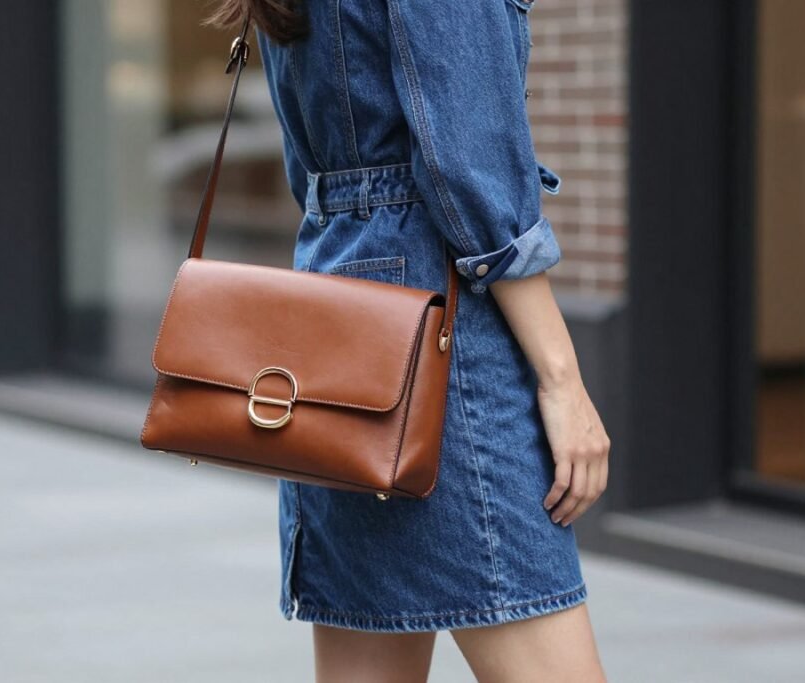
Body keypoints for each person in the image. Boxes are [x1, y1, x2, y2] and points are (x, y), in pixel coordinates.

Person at [208, 1, 611, 681]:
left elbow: (309, 168)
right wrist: (562, 378)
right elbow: (471, 166)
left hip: (337, 308)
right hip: (439, 318)